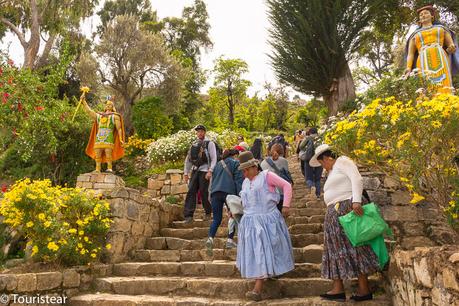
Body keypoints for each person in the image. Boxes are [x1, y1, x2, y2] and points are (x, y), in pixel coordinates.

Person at [310, 144, 379, 302]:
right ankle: (338, 288)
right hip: (335, 213)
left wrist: (356, 201)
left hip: (347, 209)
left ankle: (364, 289)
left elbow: (356, 178)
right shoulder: (333, 170)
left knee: (355, 247)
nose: (323, 167)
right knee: (335, 250)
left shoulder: (342, 161)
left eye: (322, 163)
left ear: (327, 158)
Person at [236, 151, 294, 302]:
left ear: (255, 166)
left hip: (267, 220)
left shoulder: (267, 176)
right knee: (259, 251)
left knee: (262, 250)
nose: (245, 172)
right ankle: (267, 275)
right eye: (243, 170)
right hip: (250, 222)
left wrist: (286, 205)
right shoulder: (245, 183)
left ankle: (257, 289)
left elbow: (286, 186)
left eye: (247, 169)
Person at [404, 4, 459, 94]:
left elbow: (451, 45)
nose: (423, 15)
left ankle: (448, 102)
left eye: (426, 13)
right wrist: (408, 68)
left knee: (444, 80)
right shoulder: (415, 35)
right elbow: (410, 54)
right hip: (422, 58)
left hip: (441, 57)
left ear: (432, 17)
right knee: (425, 81)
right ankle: (429, 104)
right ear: (419, 20)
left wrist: (451, 48)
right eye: (421, 15)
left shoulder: (441, 29)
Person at [206, 149, 244, 255]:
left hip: (215, 193)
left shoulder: (217, 165)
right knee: (235, 216)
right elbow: (238, 181)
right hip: (229, 193)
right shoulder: (235, 163)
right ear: (234, 155)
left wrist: (210, 194)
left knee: (216, 219)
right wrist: (239, 196)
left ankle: (210, 239)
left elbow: (211, 180)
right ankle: (231, 240)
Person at [82, 94, 125, 173]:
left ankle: (109, 168)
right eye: (107, 105)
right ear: (105, 106)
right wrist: (84, 102)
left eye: (110, 105)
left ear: (112, 107)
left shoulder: (115, 116)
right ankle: (97, 169)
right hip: (99, 137)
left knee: (108, 153)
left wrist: (120, 139)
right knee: (97, 153)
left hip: (108, 137)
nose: (108, 106)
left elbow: (119, 129)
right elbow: (89, 111)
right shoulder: (99, 116)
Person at [183, 125, 217, 223]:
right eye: (198, 131)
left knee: (204, 192)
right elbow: (188, 159)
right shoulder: (193, 144)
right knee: (191, 191)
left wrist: (210, 171)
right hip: (195, 170)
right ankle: (188, 216)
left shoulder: (210, 143)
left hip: (205, 170)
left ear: (205, 132)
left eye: (201, 131)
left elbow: (214, 158)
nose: (200, 133)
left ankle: (207, 212)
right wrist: (186, 172)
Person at [260, 143, 291, 212]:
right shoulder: (284, 161)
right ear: (282, 151)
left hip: (267, 194)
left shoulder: (262, 163)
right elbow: (286, 176)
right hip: (280, 192)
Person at [299, 127, 323, 198]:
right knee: (318, 178)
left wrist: (306, 149)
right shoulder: (321, 138)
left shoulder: (308, 138)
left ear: (309, 132)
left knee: (308, 177)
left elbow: (301, 146)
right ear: (317, 132)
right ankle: (318, 194)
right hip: (319, 159)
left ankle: (312, 186)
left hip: (309, 159)